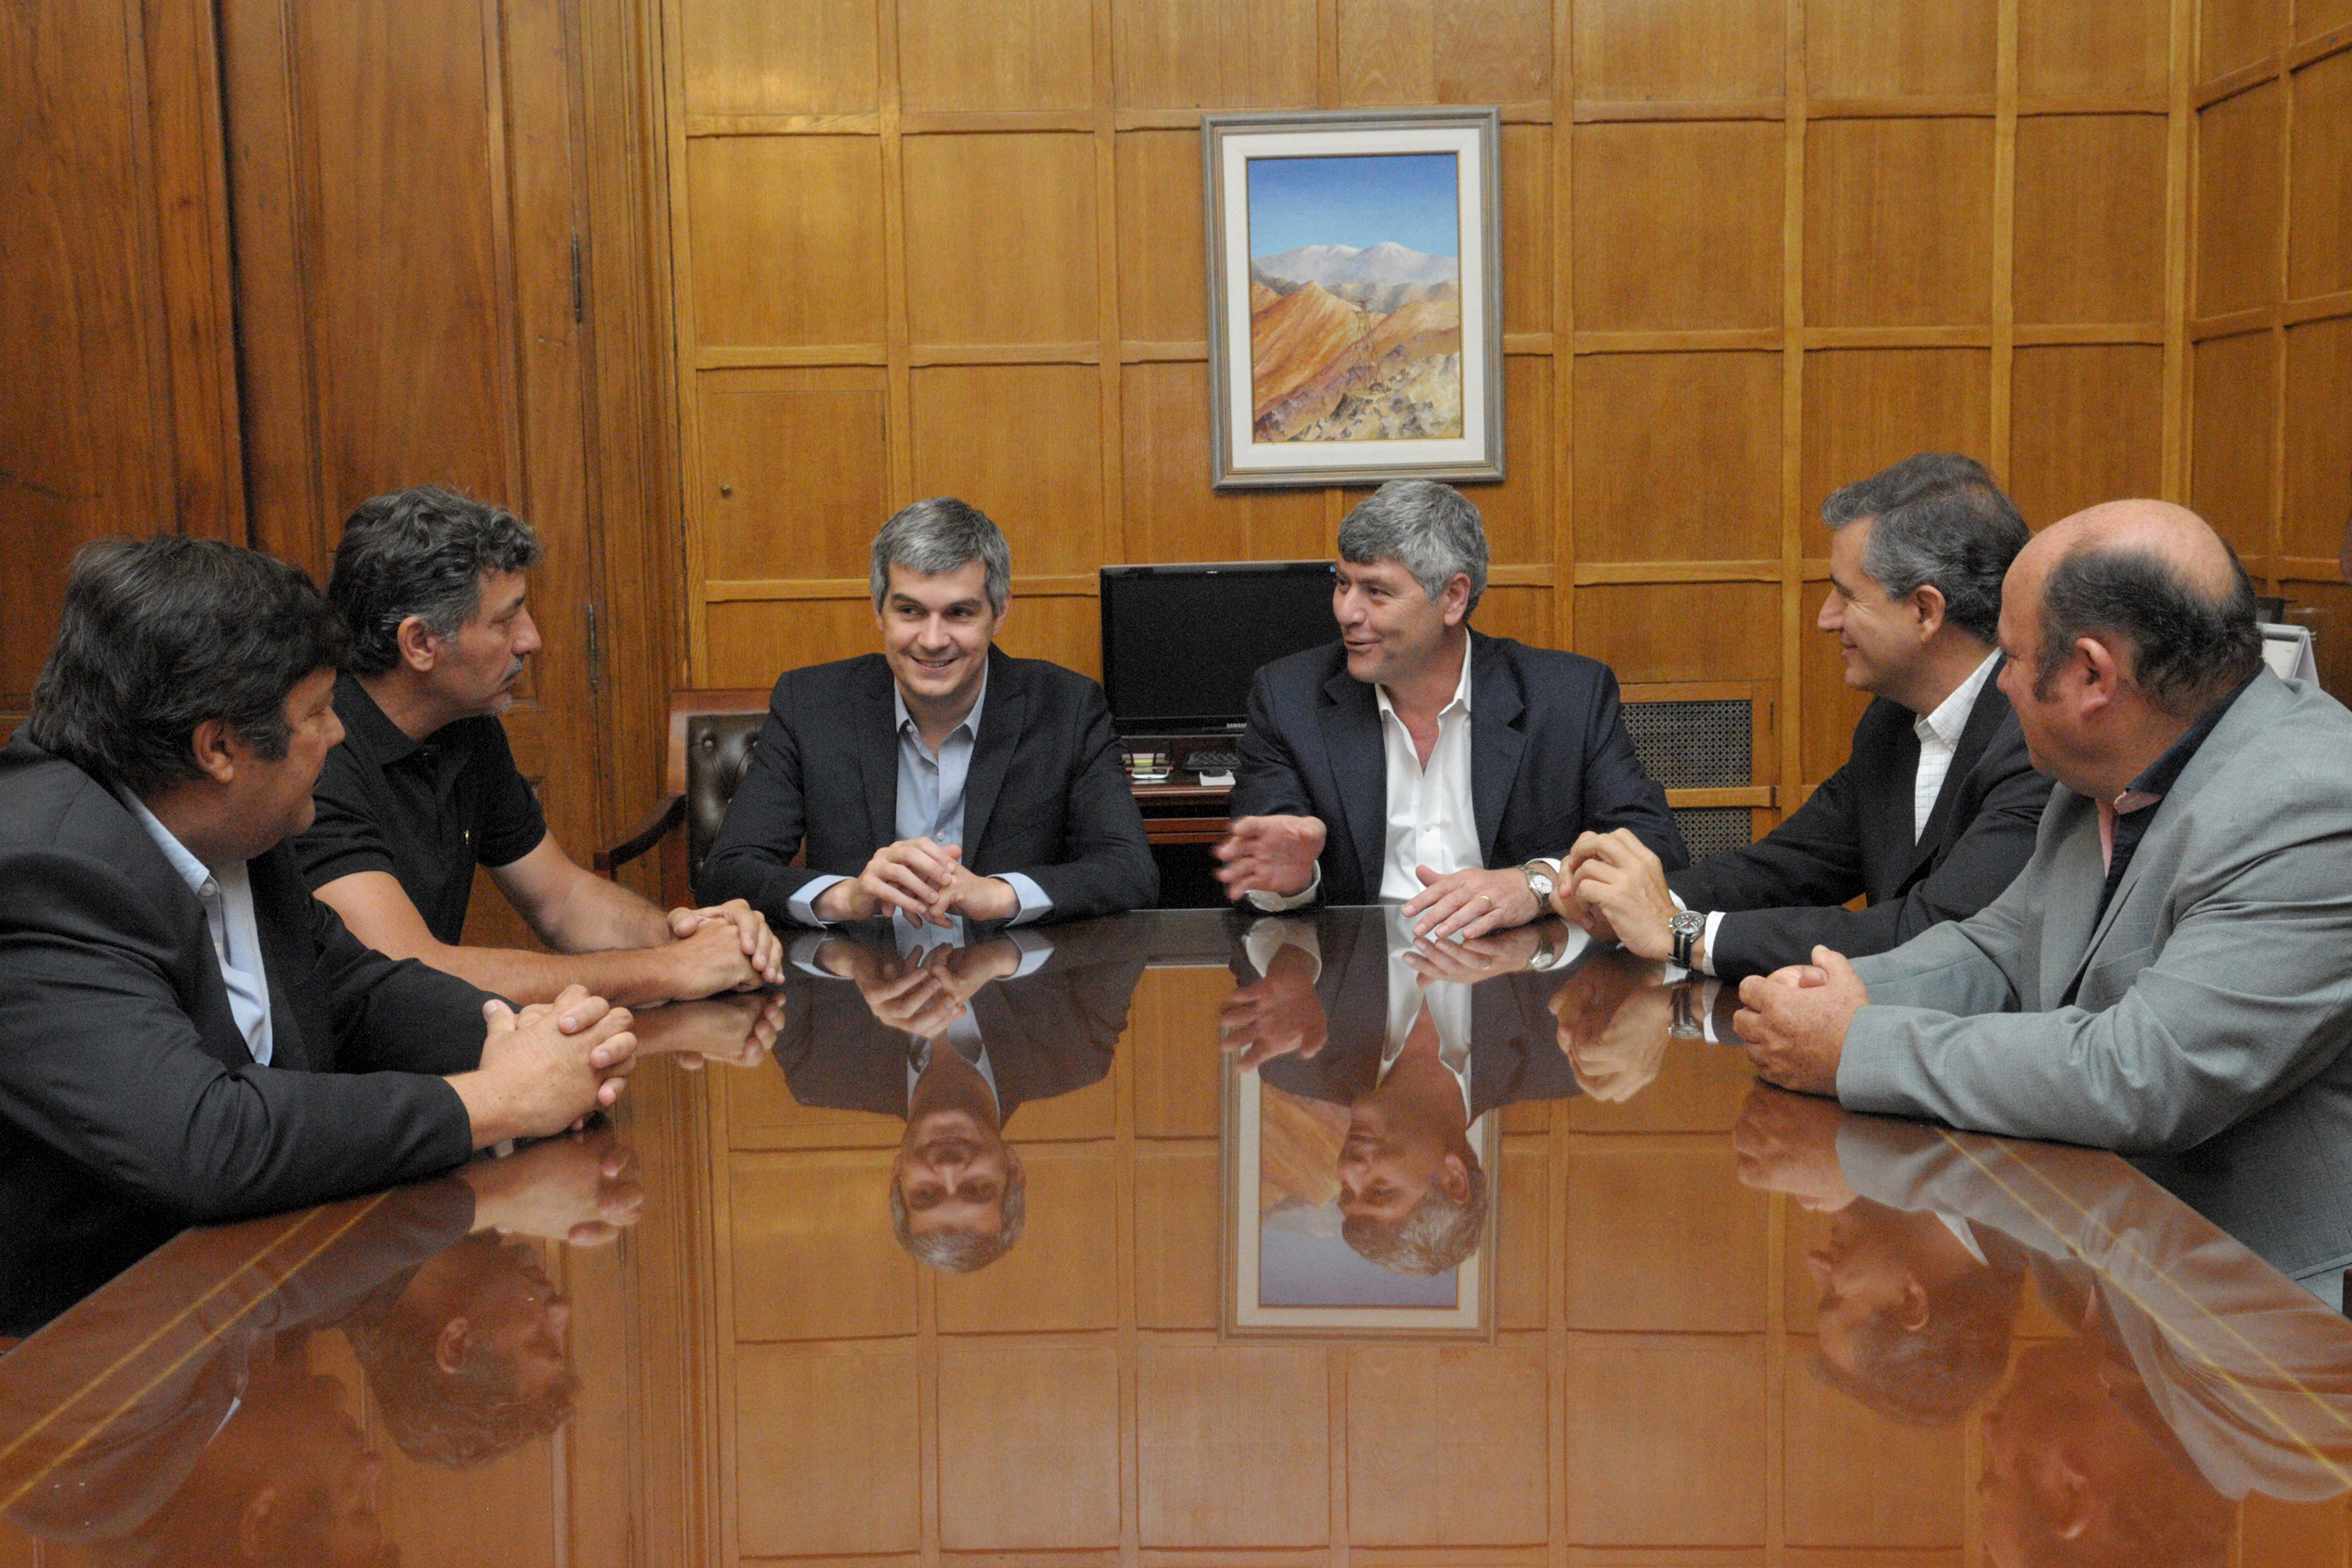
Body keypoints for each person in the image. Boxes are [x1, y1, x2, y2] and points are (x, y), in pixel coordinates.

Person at [0, 536, 637, 1301]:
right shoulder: (41, 867)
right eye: (319, 712)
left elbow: (352, 987)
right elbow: (205, 1139)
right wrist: (499, 1098)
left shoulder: (238, 822)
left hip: (251, 1290)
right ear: (220, 746)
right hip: (86, 1366)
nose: (340, 736)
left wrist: (536, 1036)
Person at [1733, 500, 2352, 1163]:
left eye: (2011, 657)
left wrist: (1857, 1045)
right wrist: (1836, 994)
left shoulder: (2313, 807)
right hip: (2091, 1220)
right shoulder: (2094, 776)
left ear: (2092, 675)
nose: (2000, 685)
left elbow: (2145, 1077)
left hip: (2235, 1261)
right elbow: (1999, 950)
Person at [1563, 454, 2050, 982]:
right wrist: (1632, 903)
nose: (1825, 618)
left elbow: (1936, 935)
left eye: (1846, 593)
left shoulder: (2037, 740)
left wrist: (1682, 931)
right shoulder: (1891, 721)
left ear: (1926, 611)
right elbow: (1794, 864)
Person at [296, 486, 782, 1007]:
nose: (532, 639)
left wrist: (683, 933)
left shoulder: (466, 722)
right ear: (419, 644)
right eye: (504, 621)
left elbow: (560, 899)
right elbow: (411, 971)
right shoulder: (318, 751)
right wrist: (668, 969)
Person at [1218, 478, 1682, 936]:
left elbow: (1652, 846)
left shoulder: (1567, 696)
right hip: (1357, 981)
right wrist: (1293, 882)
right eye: (1343, 584)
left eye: (1376, 591)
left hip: (1523, 976)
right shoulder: (1289, 697)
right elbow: (1269, 867)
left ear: (1453, 598)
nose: (1347, 612)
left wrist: (1536, 883)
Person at [699, 497, 1157, 929]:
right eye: (910, 611)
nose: (933, 639)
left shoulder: (1069, 707)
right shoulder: (810, 704)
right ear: (880, 611)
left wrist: (998, 895)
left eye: (959, 613)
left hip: (1013, 994)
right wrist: (846, 897)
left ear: (999, 613)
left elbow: (1130, 870)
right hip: (859, 993)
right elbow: (727, 872)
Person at [1225, 906, 1584, 1274]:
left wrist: (1293, 958)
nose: (1349, 1168)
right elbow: (1613, 923)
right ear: (1453, 1178)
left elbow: (1252, 911)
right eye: (1379, 1189)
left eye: (1347, 1191)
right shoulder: (1564, 1054)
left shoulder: (1290, 1057)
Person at [775, 919, 1146, 1271]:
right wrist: (1006, 956)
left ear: (897, 1175)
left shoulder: (819, 1070)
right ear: (1013, 1169)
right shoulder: (1075, 1052)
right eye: (977, 1187)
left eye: (925, 1194)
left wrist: (846, 958)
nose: (949, 1169)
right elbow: (1135, 932)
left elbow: (759, 935)